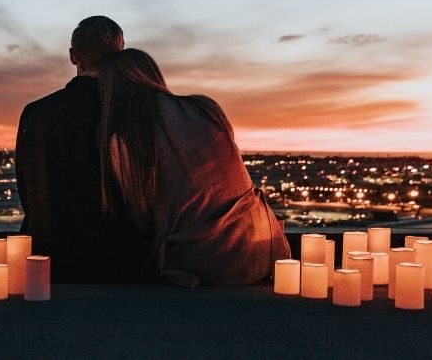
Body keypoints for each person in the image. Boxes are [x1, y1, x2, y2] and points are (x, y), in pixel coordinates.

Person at [98, 48, 290, 287]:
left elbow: (141, 216)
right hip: (265, 248)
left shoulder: (126, 140)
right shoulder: (206, 108)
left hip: (203, 262)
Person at [15, 16, 145, 282]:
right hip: (116, 261)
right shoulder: (131, 113)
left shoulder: (35, 113)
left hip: (48, 258)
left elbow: (28, 192)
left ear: (73, 56)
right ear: (120, 55)